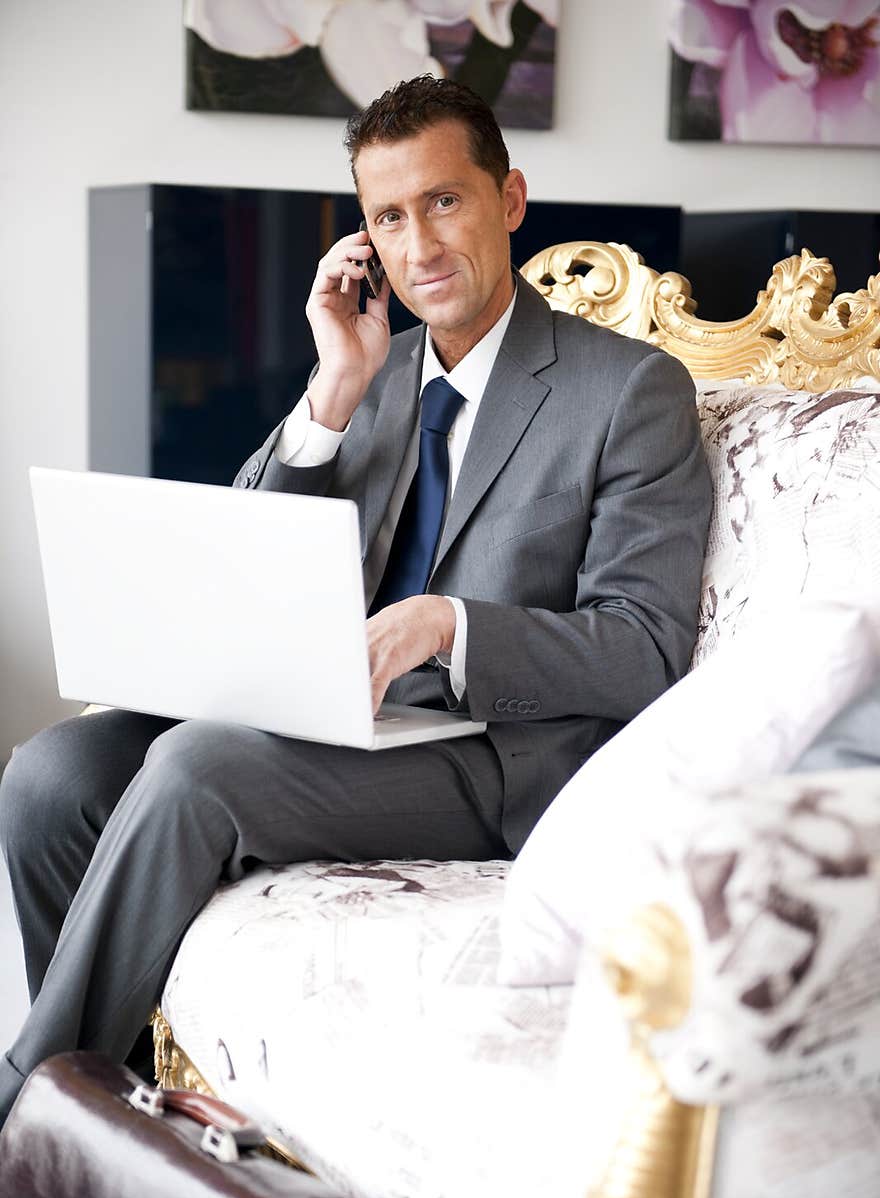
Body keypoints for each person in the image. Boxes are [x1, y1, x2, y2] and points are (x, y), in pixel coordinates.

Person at [0, 76, 711, 1129]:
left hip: (500, 758)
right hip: (344, 718)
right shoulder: (374, 374)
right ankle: (126, 1119)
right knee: (52, 772)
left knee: (198, 768)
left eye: (444, 201)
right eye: (386, 216)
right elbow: (240, 552)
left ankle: (32, 1114)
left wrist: (452, 625)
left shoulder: (629, 390)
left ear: (510, 198)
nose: (417, 244)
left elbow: (645, 646)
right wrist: (330, 393)